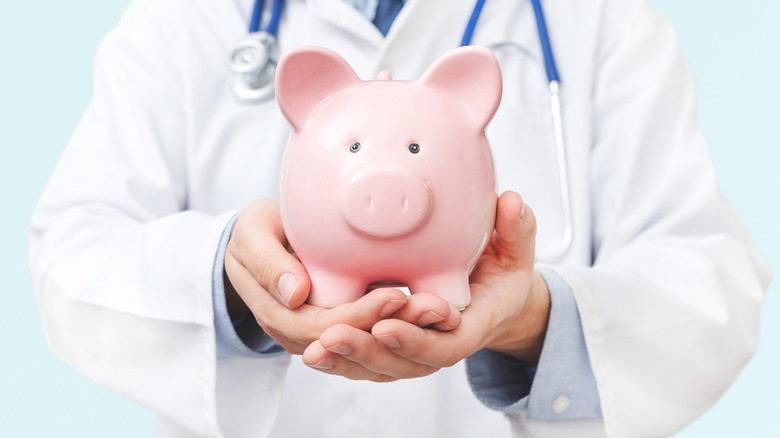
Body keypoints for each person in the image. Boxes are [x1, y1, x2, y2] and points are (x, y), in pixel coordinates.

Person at [28, 0, 771, 437]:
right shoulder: (185, 17)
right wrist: (231, 279)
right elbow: (74, 248)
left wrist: (532, 321)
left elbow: (711, 284)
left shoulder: (599, 19)